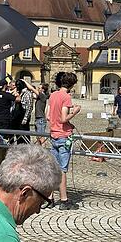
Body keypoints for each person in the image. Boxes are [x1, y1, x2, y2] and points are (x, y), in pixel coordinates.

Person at [47, 71, 81, 210]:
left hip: (53, 134)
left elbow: (48, 115)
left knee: (53, 168)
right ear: (72, 85)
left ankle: (49, 199)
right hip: (63, 136)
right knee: (62, 170)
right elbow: (63, 118)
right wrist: (75, 111)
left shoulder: (53, 95)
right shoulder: (66, 97)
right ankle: (64, 200)